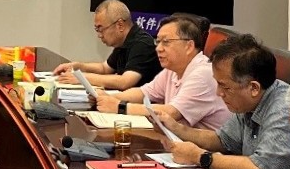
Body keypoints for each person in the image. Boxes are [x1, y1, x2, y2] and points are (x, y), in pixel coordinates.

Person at [161, 34, 290, 169]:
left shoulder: (284, 109)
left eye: (225, 87)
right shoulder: (249, 102)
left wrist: (201, 157)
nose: (219, 93)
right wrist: (176, 128)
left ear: (253, 88)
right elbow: (223, 140)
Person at [94, 14, 229, 130]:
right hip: (178, 141)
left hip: (207, 149)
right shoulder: (173, 69)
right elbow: (143, 93)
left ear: (189, 46)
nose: (158, 48)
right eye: (158, 42)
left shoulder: (203, 74)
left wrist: (120, 107)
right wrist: (108, 98)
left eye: (166, 42)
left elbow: (171, 113)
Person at [51, 0, 160, 89]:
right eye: (97, 29)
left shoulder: (142, 44)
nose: (99, 35)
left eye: (101, 29)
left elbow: (125, 81)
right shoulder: (123, 41)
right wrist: (78, 66)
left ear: (120, 25)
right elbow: (105, 68)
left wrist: (82, 78)